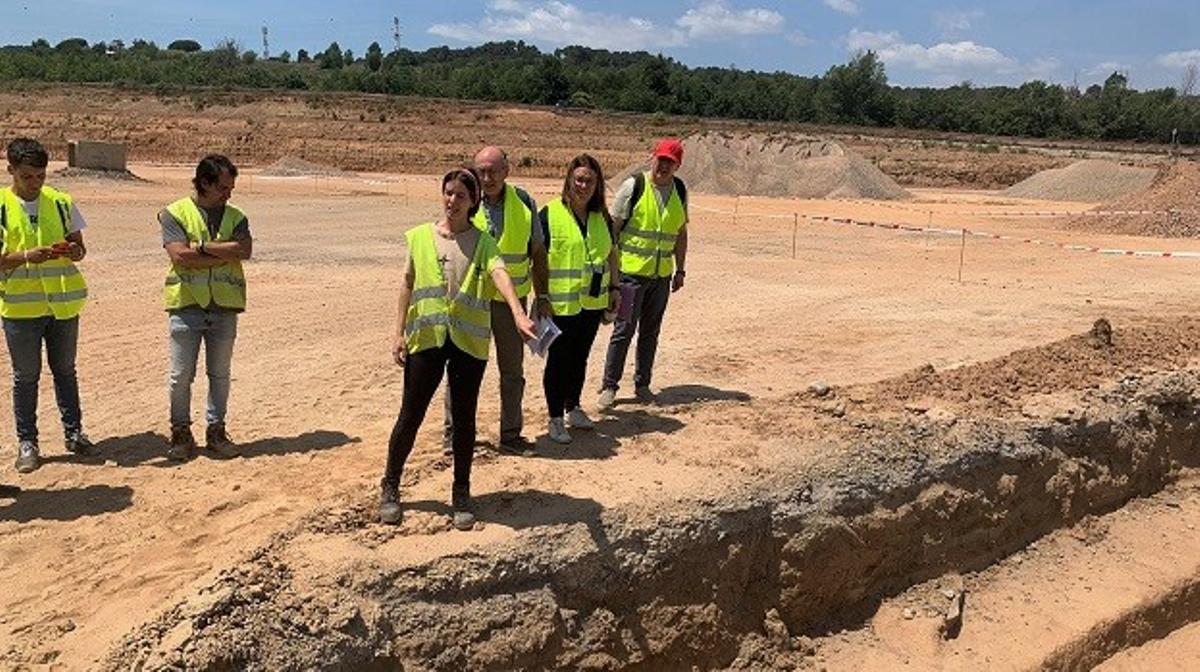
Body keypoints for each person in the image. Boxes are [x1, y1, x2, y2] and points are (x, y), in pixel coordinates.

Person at [382, 168, 536, 529]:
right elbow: (407, 283)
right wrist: (398, 332)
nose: (452, 201)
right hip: (427, 339)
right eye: (448, 193)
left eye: (461, 196)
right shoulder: (420, 237)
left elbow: (500, 274)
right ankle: (390, 484)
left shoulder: (483, 242)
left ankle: (461, 492)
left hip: (467, 343)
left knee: (465, 419)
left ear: (473, 203)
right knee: (411, 415)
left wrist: (517, 313)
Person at [443, 146, 549, 455]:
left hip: (511, 303)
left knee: (512, 372)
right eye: (480, 172)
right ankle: (454, 436)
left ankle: (511, 435)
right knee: (462, 369)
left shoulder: (525, 203)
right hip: (471, 299)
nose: (486, 178)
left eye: (492, 171)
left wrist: (542, 295)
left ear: (507, 170)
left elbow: (538, 253)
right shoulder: (465, 199)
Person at [0, 138, 93, 473]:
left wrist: (72, 251)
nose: (35, 182)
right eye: (27, 176)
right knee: (26, 377)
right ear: (10, 170)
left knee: (65, 372)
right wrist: (25, 257)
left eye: (40, 176)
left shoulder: (62, 202)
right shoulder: (0, 205)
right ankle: (28, 443)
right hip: (21, 311)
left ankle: (74, 433)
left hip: (62, 307)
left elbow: (81, 249)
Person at [159, 155, 252, 461]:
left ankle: (216, 432)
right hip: (187, 305)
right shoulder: (175, 213)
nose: (229, 193)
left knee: (220, 374)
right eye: (223, 187)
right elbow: (180, 257)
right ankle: (181, 433)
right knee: (180, 375)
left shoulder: (236, 216)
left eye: (231, 187)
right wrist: (222, 252)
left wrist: (200, 247)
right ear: (204, 183)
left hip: (224, 306)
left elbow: (244, 250)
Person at [597, 138, 689, 411]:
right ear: (653, 158)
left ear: (677, 165)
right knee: (623, 330)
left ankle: (642, 384)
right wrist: (609, 272)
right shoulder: (634, 186)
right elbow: (612, 229)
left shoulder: (680, 191)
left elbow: (680, 234)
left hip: (661, 276)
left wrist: (680, 269)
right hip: (630, 275)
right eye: (660, 159)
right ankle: (610, 386)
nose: (663, 166)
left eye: (669, 162)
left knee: (651, 332)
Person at [540, 154, 619, 444]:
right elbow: (538, 259)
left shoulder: (602, 217)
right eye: (579, 179)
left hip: (592, 302)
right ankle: (555, 418)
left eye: (589, 180)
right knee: (558, 360)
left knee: (580, 358)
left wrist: (615, 289)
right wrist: (542, 296)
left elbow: (612, 254)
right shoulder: (549, 214)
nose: (583, 185)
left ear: (597, 184)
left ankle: (573, 407)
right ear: (569, 181)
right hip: (559, 304)